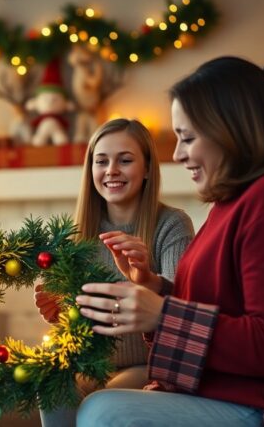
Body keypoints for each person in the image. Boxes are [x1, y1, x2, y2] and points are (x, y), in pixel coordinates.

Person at [75, 56, 264, 427]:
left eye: (188, 138)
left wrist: (162, 313)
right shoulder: (230, 204)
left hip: (260, 408)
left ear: (231, 130)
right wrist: (153, 286)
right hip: (211, 395)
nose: (178, 154)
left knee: (104, 411)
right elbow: (218, 305)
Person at [35, 118, 195, 427]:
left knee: (104, 401)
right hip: (90, 363)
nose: (111, 170)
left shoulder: (172, 225)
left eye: (125, 160)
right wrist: (59, 311)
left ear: (147, 169)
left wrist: (146, 279)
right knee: (52, 384)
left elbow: (182, 306)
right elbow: (76, 317)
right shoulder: (76, 233)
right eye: (101, 161)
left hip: (148, 366)